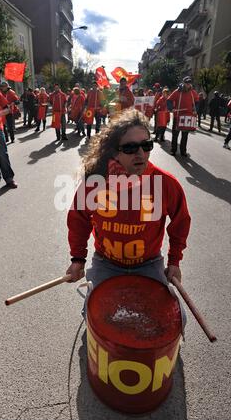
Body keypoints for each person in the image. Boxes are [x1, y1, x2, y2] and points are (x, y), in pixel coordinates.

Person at [65, 109, 191, 317]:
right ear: (114, 151)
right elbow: (78, 220)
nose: (140, 153)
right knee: (94, 315)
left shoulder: (166, 183)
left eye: (146, 145)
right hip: (106, 264)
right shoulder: (95, 181)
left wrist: (174, 261)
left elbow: (180, 222)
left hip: (148, 265)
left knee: (178, 319)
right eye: (131, 147)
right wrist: (77, 259)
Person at [168, 76, 199, 157]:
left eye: (189, 83)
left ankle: (183, 151)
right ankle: (173, 150)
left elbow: (197, 102)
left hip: (188, 117)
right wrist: (172, 108)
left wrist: (195, 109)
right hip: (178, 116)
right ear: (184, 82)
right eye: (186, 83)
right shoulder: (177, 91)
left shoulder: (193, 92)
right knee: (175, 134)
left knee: (185, 135)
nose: (188, 84)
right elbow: (169, 100)